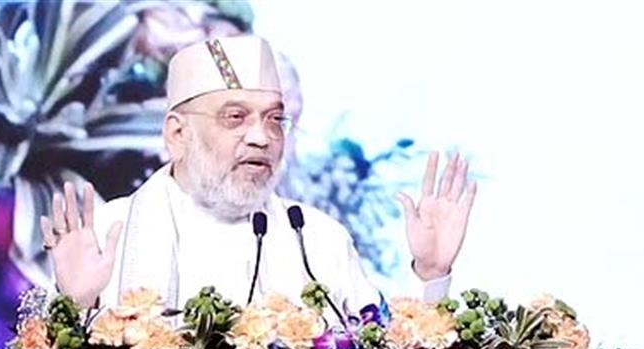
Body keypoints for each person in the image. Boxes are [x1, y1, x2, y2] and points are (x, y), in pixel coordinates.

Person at [39, 36, 477, 316]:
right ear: (177, 133)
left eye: (274, 120)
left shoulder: (319, 240)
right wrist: (74, 306)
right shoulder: (109, 234)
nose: (261, 138)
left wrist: (431, 274)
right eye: (235, 117)